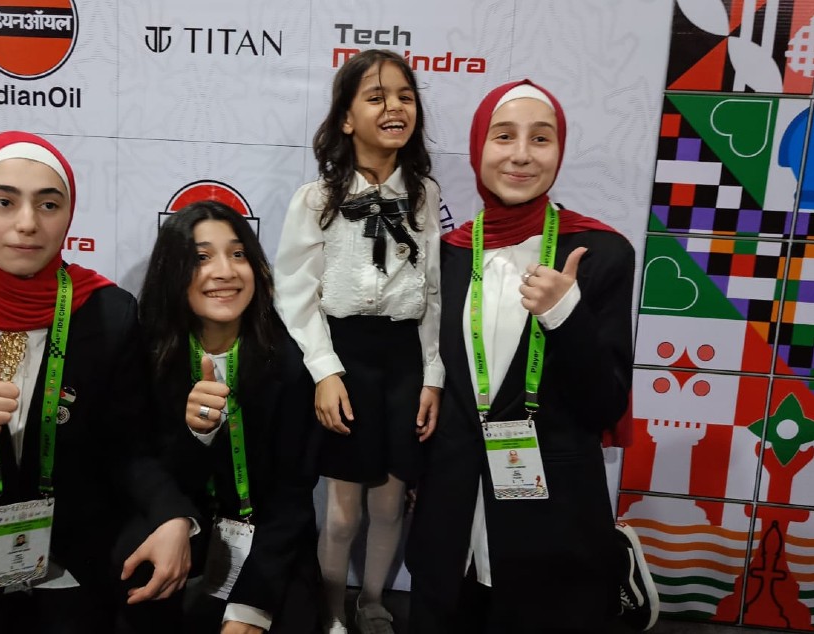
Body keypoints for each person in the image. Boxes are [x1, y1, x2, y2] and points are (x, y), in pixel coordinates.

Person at [0, 131, 196, 634]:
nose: (27, 224)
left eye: (49, 204)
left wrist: (174, 515)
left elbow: (129, 448)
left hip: (74, 535)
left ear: (68, 215)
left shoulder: (107, 312)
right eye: (3, 201)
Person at [405, 79, 658, 632]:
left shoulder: (599, 253)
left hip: (554, 534)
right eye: (504, 137)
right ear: (478, 148)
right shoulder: (447, 254)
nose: (521, 155)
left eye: (540, 139)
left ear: (559, 152)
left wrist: (566, 314)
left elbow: (604, 405)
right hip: (448, 528)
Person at [273, 49, 444, 634]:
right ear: (346, 118)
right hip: (343, 359)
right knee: (344, 509)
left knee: (391, 502)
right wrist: (324, 370)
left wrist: (433, 376)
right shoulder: (315, 201)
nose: (394, 106)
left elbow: (433, 294)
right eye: (375, 97)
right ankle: (330, 608)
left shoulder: (423, 196)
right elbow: (294, 296)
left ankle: (373, 600)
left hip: (402, 361)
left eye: (404, 95)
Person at [134, 200, 322, 633]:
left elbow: (293, 496)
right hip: (186, 532)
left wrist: (250, 610)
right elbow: (146, 472)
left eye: (238, 254)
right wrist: (196, 436)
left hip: (271, 547)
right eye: (201, 258)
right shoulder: (149, 356)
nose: (225, 271)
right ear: (173, 271)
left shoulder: (289, 360)